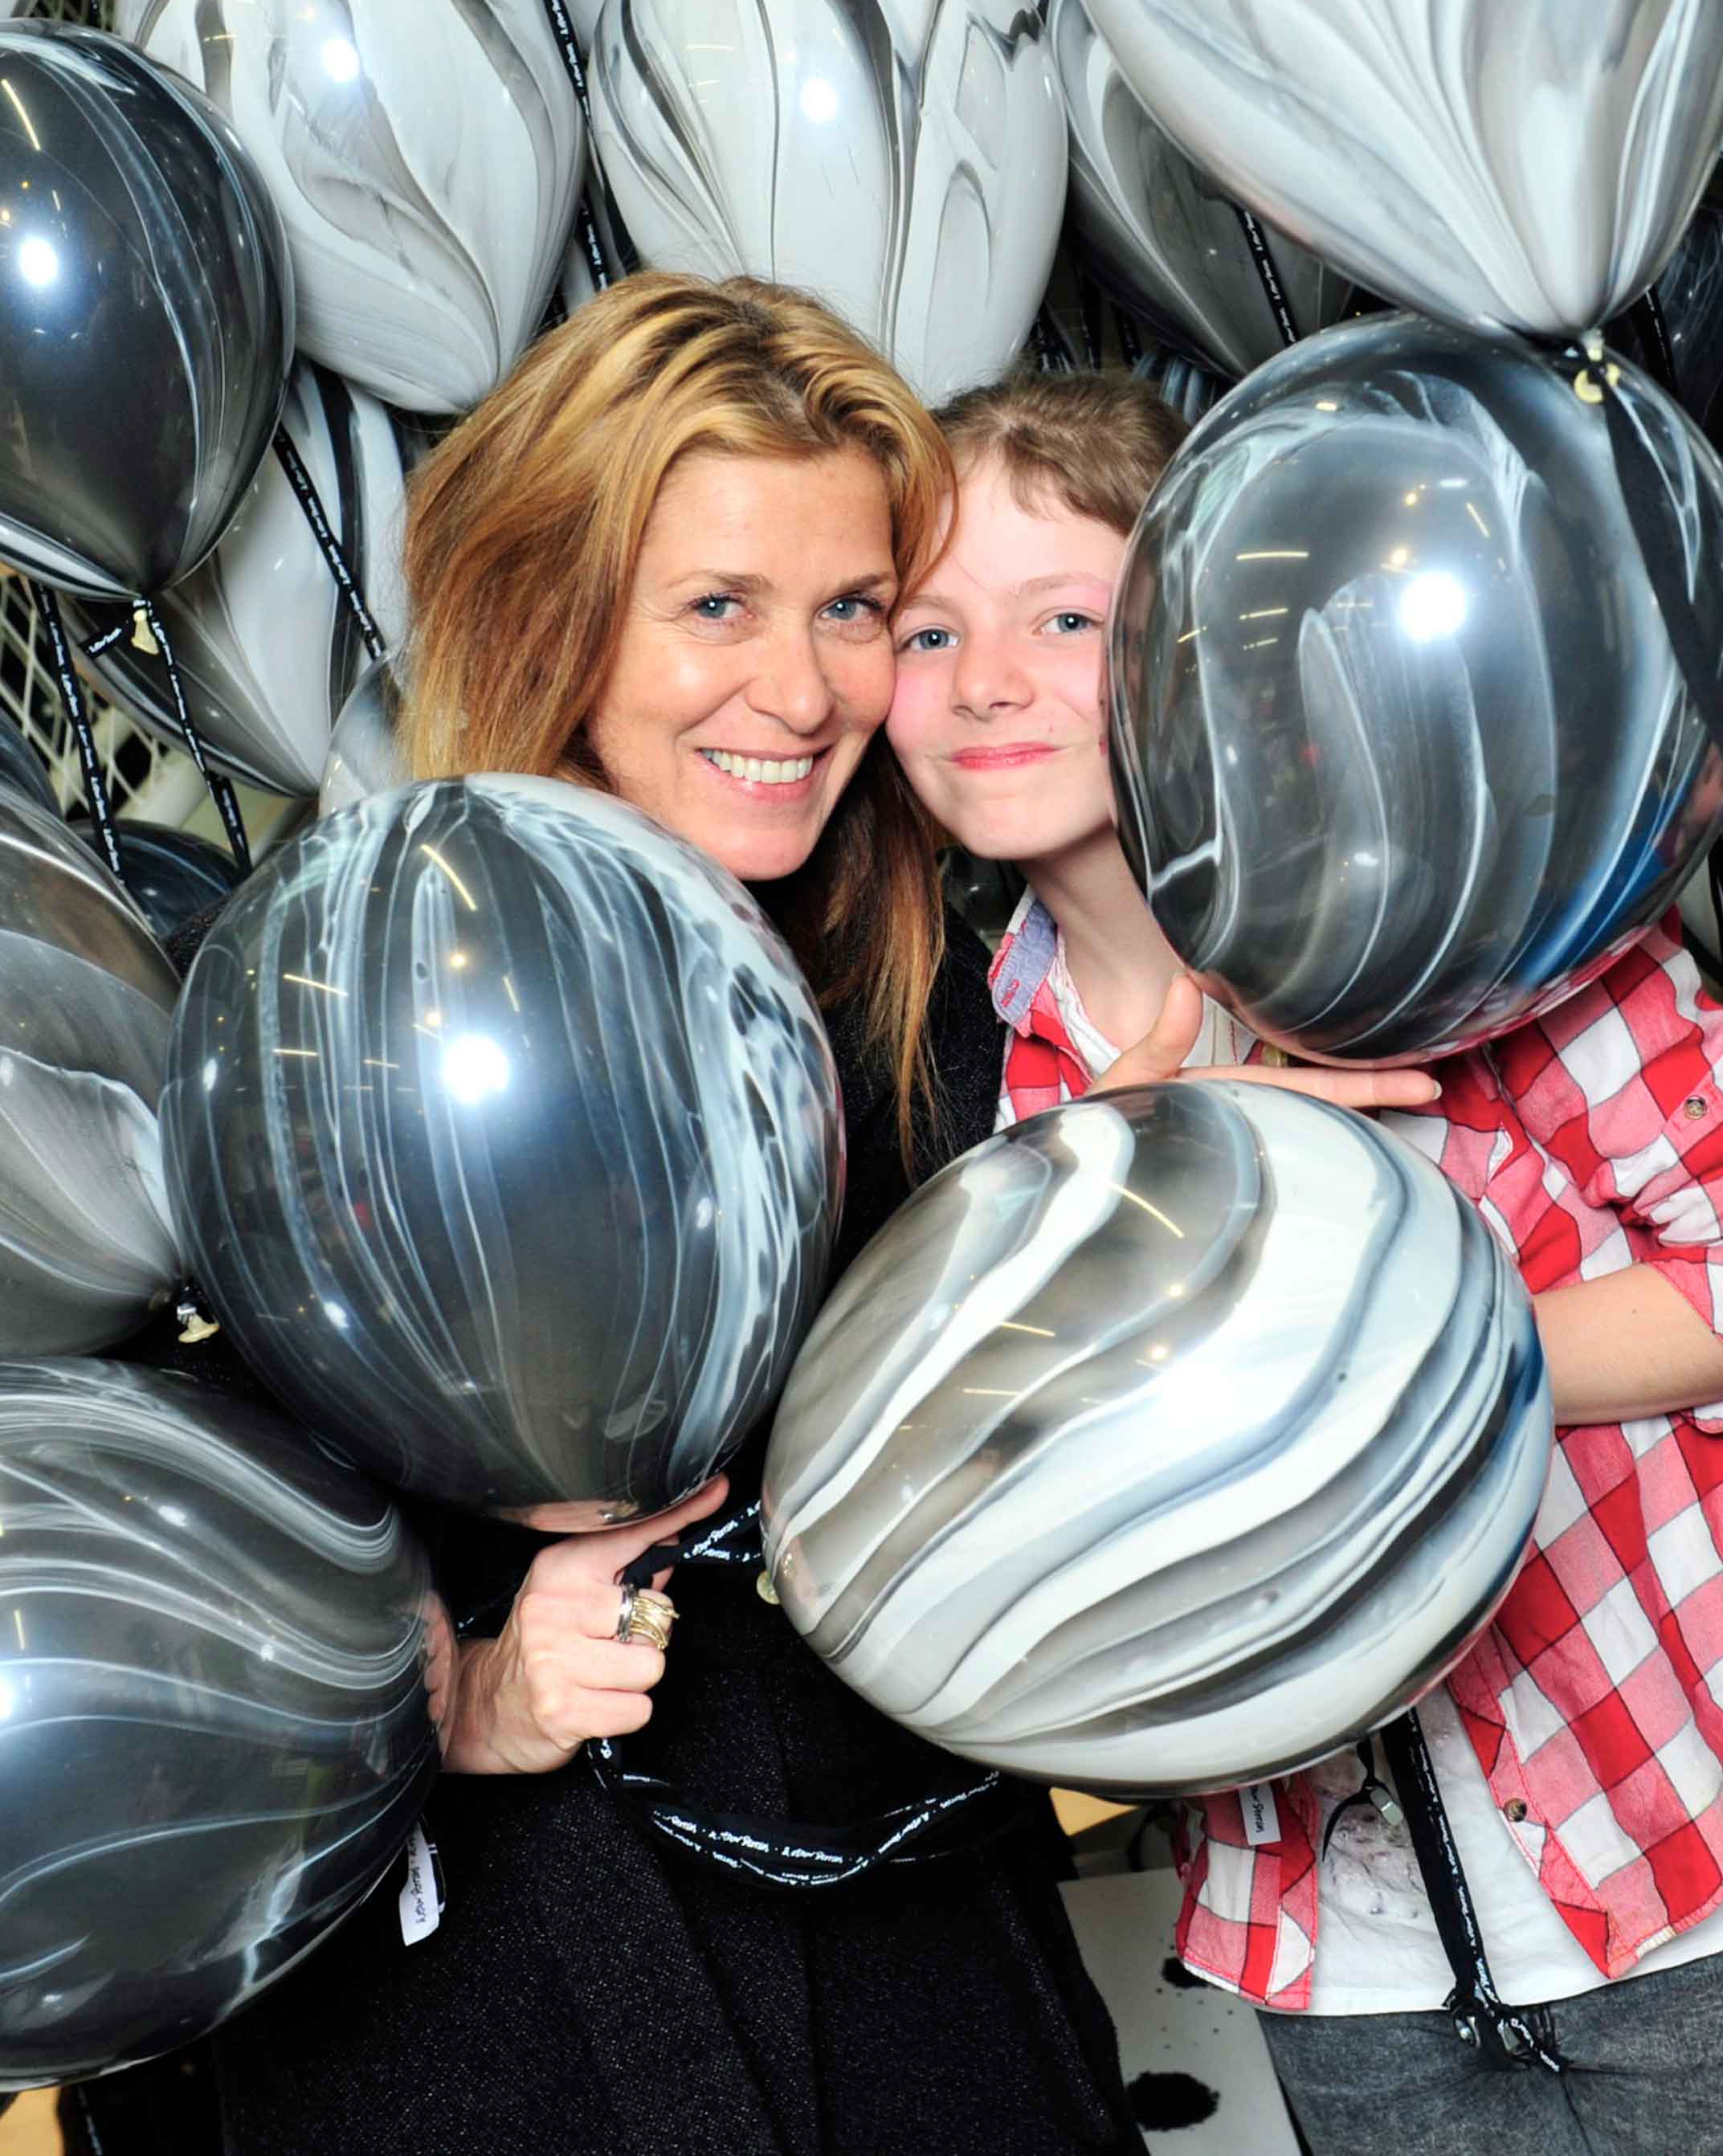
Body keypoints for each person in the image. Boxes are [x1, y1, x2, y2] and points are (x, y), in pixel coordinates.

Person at [166, 281, 1142, 2156]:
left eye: (849, 607)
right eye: (716, 605)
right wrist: (454, 1695)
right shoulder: (335, 1003)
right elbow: (202, 1570)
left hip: (921, 1956)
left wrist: (1177, 1175)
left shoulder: (930, 985)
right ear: (558, 614)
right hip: (520, 2001)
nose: (800, 689)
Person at [885, 364, 1723, 2154]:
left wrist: (1388, 1377)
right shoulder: (979, 1086)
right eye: (924, 630)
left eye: (1061, 618)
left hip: (1679, 1861)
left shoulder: (1480, 913)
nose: (984, 681)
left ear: (1201, 641)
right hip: (1341, 1966)